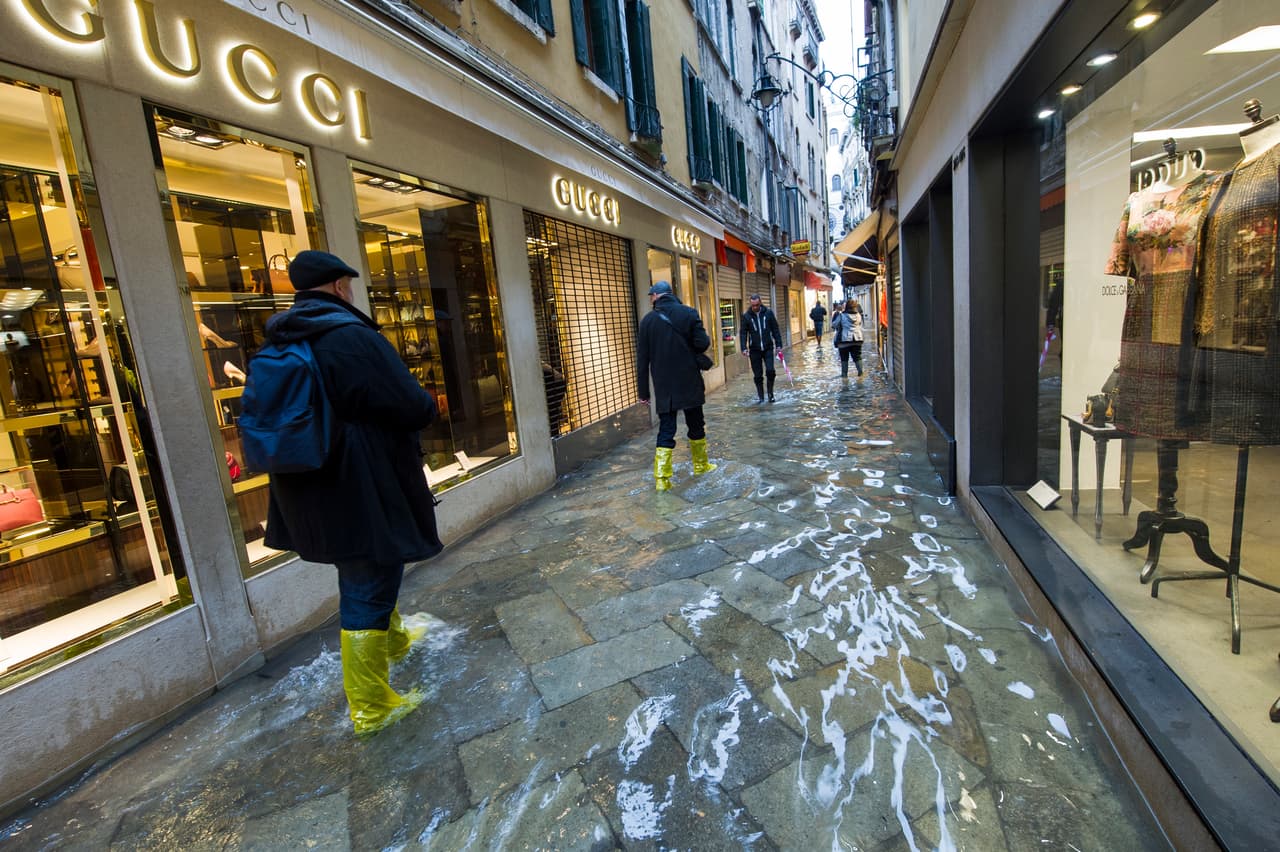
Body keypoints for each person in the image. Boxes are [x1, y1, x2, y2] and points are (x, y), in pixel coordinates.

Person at [262, 250, 443, 736]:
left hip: (311, 482)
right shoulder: (348, 336)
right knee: (369, 574)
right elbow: (409, 403)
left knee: (368, 563)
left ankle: (395, 642)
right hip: (358, 477)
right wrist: (427, 403)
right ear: (340, 286)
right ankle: (371, 706)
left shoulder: (285, 337)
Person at [636, 280, 716, 491]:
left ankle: (662, 479)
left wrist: (643, 393)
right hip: (688, 380)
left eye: (651, 296)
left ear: (655, 296)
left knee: (666, 429)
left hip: (664, 386)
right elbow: (702, 343)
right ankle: (700, 465)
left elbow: (642, 361)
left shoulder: (647, 322)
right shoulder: (689, 313)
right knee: (696, 424)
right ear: (670, 294)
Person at [739, 293, 783, 403]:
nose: (755, 307)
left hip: (768, 348)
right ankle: (761, 397)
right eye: (753, 305)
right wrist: (744, 347)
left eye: (757, 305)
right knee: (757, 375)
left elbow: (775, 329)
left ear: (760, 303)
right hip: (754, 350)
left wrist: (778, 345)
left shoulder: (768, 314)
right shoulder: (746, 316)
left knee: (770, 371)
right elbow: (743, 333)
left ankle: (770, 394)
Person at [831, 299, 865, 377]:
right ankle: (861, 374)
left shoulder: (841, 315)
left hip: (844, 340)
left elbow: (834, 325)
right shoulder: (858, 315)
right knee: (857, 357)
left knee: (844, 358)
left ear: (846, 307)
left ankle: (844, 376)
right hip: (857, 339)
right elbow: (860, 325)